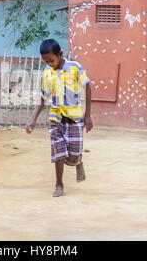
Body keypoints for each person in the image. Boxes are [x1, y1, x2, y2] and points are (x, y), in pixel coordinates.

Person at [26, 39, 93, 197]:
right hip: (56, 120)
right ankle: (59, 184)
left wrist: (88, 115)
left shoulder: (74, 67)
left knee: (73, 155)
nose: (49, 63)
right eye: (46, 61)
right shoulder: (47, 73)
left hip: (75, 120)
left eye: (51, 60)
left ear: (60, 54)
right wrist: (33, 119)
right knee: (59, 154)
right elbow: (43, 98)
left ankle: (78, 162)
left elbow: (88, 88)